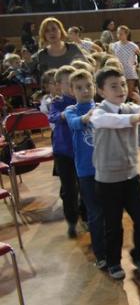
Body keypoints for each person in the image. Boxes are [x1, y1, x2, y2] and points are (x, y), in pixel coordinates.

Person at [91, 67, 140, 280]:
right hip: (108, 181)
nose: (121, 89)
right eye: (114, 86)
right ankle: (114, 262)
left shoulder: (129, 108)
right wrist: (136, 117)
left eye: (123, 84)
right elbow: (111, 121)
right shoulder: (98, 113)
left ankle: (139, 254)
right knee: (113, 225)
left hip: (131, 176)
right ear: (101, 91)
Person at [64, 69, 106, 270]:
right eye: (79, 88)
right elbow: (74, 123)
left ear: (94, 87)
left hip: (106, 169)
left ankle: (112, 252)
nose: (85, 90)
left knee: (110, 212)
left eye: (88, 86)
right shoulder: (71, 110)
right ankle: (101, 254)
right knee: (95, 213)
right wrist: (86, 118)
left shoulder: (101, 107)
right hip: (86, 171)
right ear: (72, 91)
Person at [48, 65, 79, 238]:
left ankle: (87, 217)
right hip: (64, 152)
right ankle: (72, 221)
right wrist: (64, 115)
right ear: (59, 85)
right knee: (69, 189)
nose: (73, 86)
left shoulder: (83, 101)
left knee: (85, 186)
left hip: (82, 151)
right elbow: (53, 116)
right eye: (68, 83)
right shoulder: (57, 102)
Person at [112, 25, 140, 97]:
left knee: (130, 93)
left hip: (130, 71)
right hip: (119, 71)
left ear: (126, 34)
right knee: (121, 93)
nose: (119, 35)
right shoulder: (114, 45)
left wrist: (138, 64)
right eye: (118, 33)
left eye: (121, 34)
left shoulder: (133, 46)